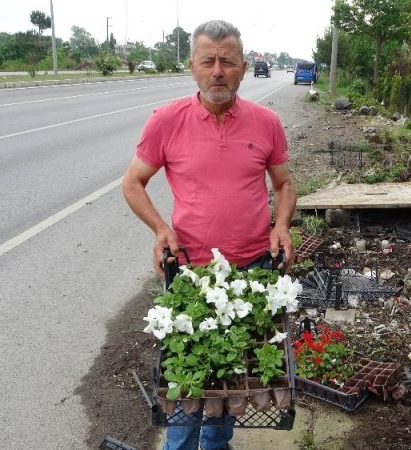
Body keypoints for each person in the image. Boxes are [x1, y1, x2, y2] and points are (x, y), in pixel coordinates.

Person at [121, 19, 297, 450]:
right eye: (208, 61)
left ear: (242, 67)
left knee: (232, 380)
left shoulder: (266, 122)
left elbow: (284, 184)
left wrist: (281, 226)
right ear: (193, 66)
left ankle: (216, 446)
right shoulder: (167, 120)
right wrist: (162, 229)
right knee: (185, 380)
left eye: (228, 62)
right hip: (191, 273)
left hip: (251, 270)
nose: (218, 71)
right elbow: (132, 183)